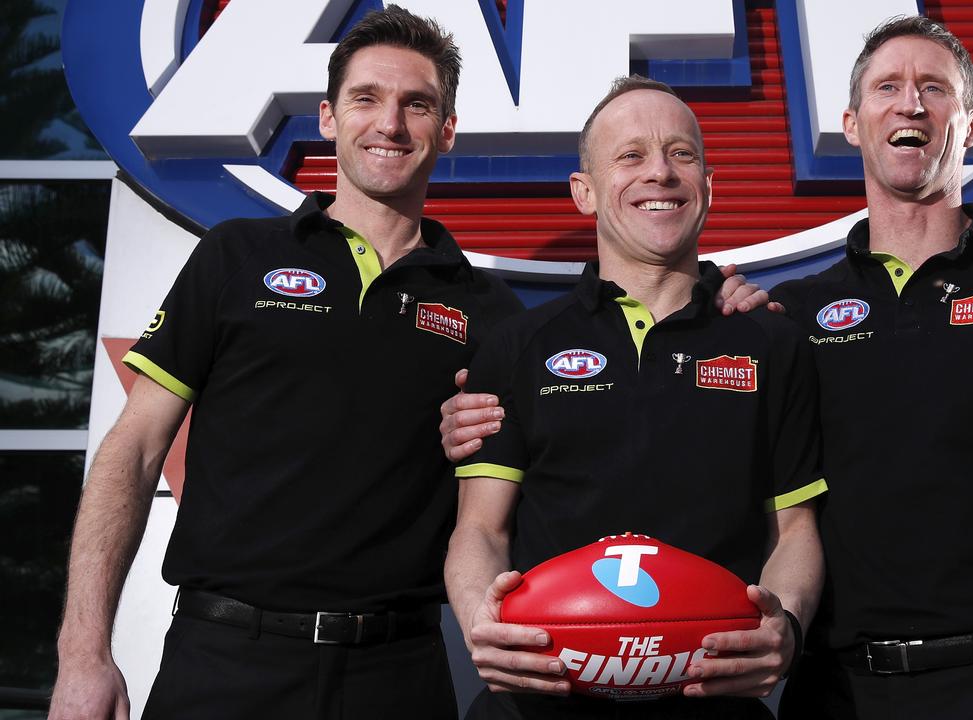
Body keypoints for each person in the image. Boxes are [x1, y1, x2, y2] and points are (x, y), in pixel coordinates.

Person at [442, 16, 973, 720]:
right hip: (838, 691)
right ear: (853, 125)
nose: (910, 102)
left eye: (935, 87)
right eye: (886, 86)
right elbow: (488, 522)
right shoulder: (791, 316)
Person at [47, 8, 768, 719]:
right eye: (367, 99)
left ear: (445, 131)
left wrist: (716, 302)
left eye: (416, 104)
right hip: (225, 659)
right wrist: (84, 653)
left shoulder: (491, 314)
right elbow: (134, 452)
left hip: (398, 675)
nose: (390, 124)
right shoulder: (237, 256)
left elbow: (580, 454)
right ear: (328, 118)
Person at [443, 76, 827, 719]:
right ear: (584, 192)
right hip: (542, 701)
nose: (661, 173)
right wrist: (487, 623)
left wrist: (782, 628)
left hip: (711, 699)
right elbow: (481, 526)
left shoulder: (772, 342)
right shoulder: (517, 343)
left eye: (681, 154)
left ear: (709, 185)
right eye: (630, 156)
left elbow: (796, 531)